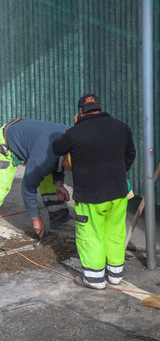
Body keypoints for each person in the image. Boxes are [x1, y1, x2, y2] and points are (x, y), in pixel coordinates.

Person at [52, 94, 136, 289]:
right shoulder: (121, 127)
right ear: (99, 108)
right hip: (118, 193)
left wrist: (75, 126)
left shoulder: (76, 132)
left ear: (80, 112)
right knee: (115, 232)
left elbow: (57, 148)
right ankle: (115, 275)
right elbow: (130, 154)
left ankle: (94, 279)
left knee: (91, 235)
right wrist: (116, 172)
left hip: (90, 197)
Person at [0, 119, 72, 253]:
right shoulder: (43, 158)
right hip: (7, 142)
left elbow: (58, 163)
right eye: (70, 167)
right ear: (65, 157)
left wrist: (59, 184)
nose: (70, 170)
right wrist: (36, 219)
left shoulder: (71, 142)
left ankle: (60, 219)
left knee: (49, 181)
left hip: (31, 139)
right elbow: (27, 188)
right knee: (0, 187)